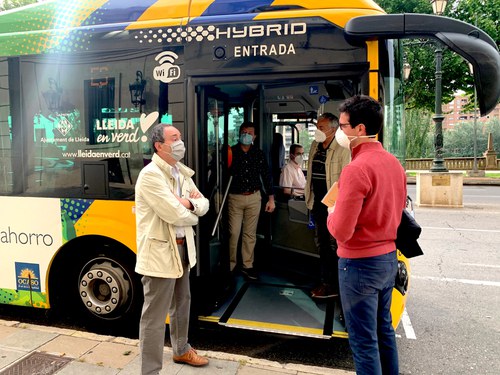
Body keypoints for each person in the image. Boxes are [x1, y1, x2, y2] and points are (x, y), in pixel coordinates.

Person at [327, 95, 406, 375]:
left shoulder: (356, 169)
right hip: (386, 258)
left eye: (344, 126)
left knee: (363, 342)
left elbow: (342, 231)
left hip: (359, 264)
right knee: (383, 331)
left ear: (360, 129)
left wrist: (332, 213)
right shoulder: (393, 163)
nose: (340, 132)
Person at [135, 123, 210, 374]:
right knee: (154, 318)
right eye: (174, 138)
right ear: (159, 145)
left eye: (180, 137)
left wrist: (187, 203)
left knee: (182, 302)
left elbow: (204, 204)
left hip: (183, 248)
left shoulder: (181, 173)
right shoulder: (150, 175)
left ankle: (181, 350)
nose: (180, 142)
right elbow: (174, 214)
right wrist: (192, 209)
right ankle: (150, 371)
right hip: (160, 252)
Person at [305, 112, 350, 298]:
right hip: (317, 203)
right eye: (317, 127)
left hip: (333, 206)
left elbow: (345, 180)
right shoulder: (316, 145)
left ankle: (335, 285)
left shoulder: (342, 148)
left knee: (333, 246)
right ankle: (326, 282)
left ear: (333, 129)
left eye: (321, 127)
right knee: (322, 243)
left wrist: (335, 205)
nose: (317, 131)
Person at [228, 122, 275, 280]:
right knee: (233, 233)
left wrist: (271, 198)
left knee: (250, 234)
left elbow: (266, 176)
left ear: (254, 136)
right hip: (235, 197)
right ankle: (231, 265)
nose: (246, 135)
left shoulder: (258, 153)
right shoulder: (231, 152)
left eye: (249, 133)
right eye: (243, 132)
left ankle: (247, 265)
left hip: (254, 197)